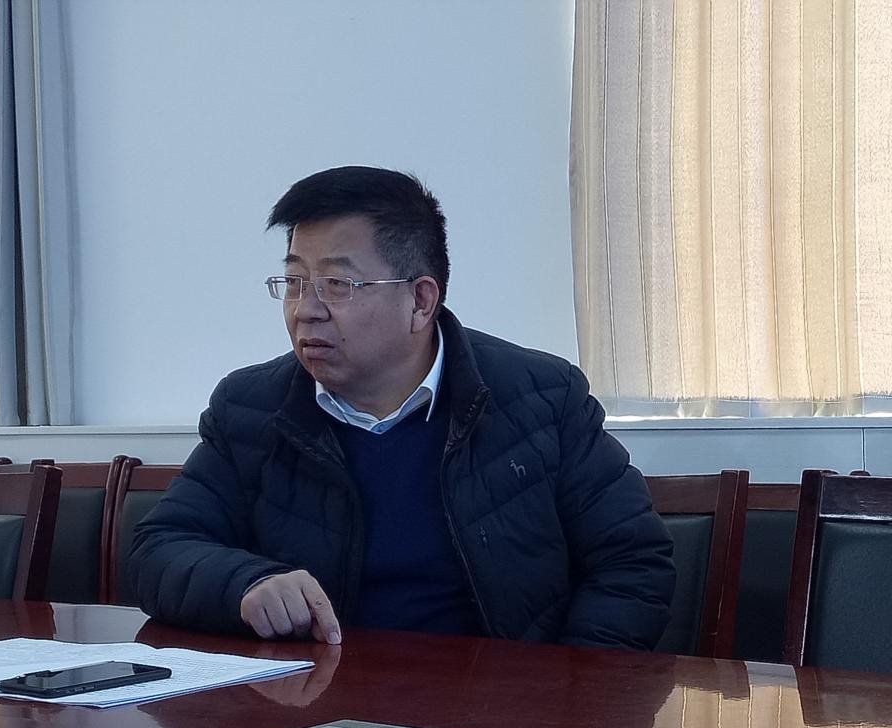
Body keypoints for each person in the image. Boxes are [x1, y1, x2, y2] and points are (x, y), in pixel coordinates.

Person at [128, 166, 675, 649]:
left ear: (420, 300)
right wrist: (244, 583)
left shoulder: (541, 397)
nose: (305, 310)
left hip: (501, 705)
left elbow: (631, 562)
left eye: (336, 284)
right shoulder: (250, 407)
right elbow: (160, 549)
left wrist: (564, 694)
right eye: (294, 282)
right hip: (312, 704)